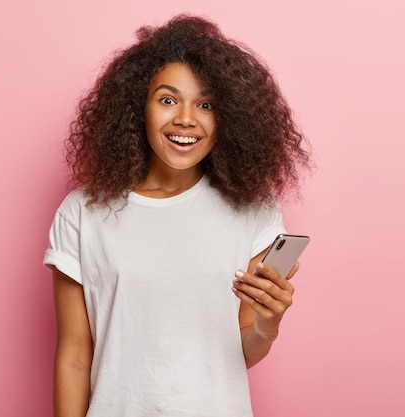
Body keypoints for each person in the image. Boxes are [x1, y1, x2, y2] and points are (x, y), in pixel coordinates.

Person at [43, 13, 311, 417]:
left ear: (229, 119)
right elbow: (75, 356)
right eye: (168, 99)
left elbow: (240, 352)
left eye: (206, 104)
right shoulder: (83, 213)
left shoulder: (253, 209)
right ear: (139, 108)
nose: (185, 118)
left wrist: (267, 325)